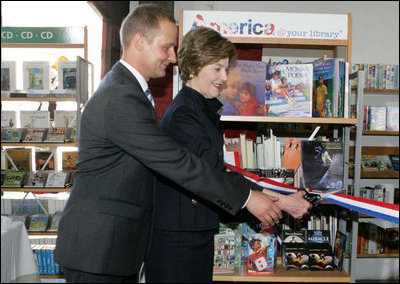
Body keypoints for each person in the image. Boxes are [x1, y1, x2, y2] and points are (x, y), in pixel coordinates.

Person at [54, 4, 288, 283]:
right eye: (166, 47)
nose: (173, 57)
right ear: (140, 41)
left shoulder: (127, 90)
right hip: (99, 247)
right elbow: (175, 161)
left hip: (113, 245)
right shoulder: (120, 97)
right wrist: (248, 198)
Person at [144, 27, 312, 283]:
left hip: (192, 233)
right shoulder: (185, 116)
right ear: (192, 68)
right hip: (178, 241)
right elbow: (211, 181)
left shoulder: (198, 110)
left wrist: (283, 198)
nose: (224, 77)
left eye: (226, 68)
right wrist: (281, 202)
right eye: (216, 69)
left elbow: (220, 176)